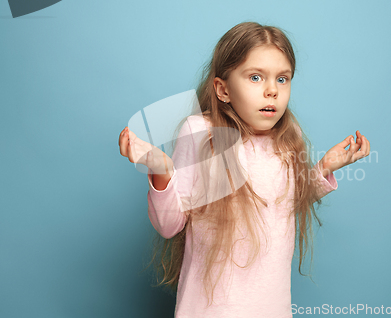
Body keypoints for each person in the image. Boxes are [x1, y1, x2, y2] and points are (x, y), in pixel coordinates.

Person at [118, 21, 370, 318]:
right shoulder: (201, 132)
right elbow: (170, 224)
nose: (271, 91)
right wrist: (161, 170)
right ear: (223, 89)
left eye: (282, 79)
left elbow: (283, 204)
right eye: (255, 77)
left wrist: (325, 167)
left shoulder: (290, 137)